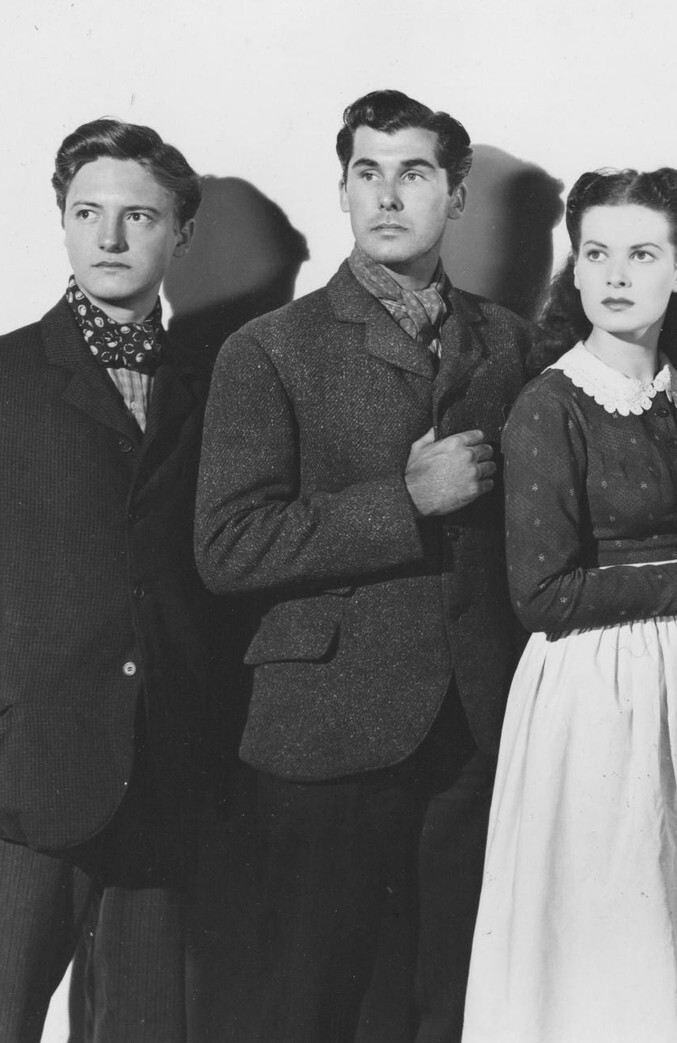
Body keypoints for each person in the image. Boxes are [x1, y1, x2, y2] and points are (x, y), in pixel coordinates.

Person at [194, 90, 534, 1042]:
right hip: (325, 732)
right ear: (342, 189)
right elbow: (227, 545)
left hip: (475, 726)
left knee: (450, 1007)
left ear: (455, 196)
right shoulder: (269, 347)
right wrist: (405, 500)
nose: (387, 195)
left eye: (413, 173)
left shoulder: (511, 342)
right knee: (312, 1006)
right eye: (367, 173)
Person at [462, 167, 677, 1043]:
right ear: (574, 268)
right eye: (597, 254)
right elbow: (541, 594)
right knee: (611, 931)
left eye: (642, 254)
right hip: (596, 692)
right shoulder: (549, 404)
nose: (616, 275)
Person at [0, 118, 213, 1043]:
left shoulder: (215, 381)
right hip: (27, 770)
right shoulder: (6, 375)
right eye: (88, 213)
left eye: (140, 216)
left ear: (181, 233)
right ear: (63, 221)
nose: (111, 237)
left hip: (163, 769)